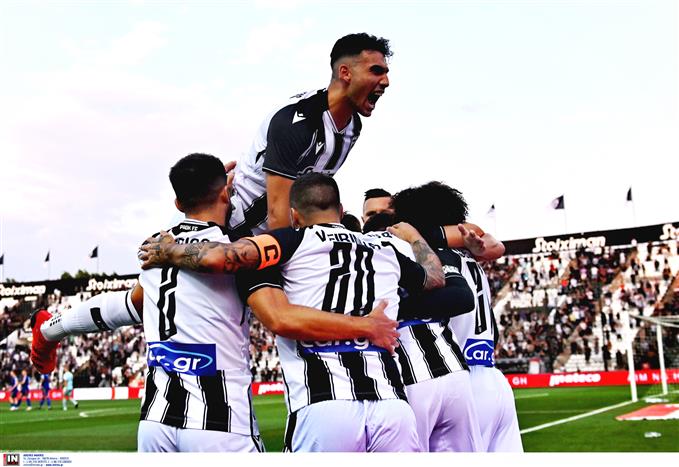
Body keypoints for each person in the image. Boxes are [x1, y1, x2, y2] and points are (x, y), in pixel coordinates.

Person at [32, 153, 399, 452]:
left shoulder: (155, 252)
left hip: (155, 424)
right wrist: (365, 325)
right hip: (220, 423)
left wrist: (51, 330)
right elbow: (280, 317)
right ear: (226, 193)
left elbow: (122, 308)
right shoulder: (237, 255)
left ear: (178, 202)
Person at [139, 173, 476, 452]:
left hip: (324, 406)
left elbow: (222, 257)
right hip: (392, 407)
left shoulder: (290, 242)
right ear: (340, 209)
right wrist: (416, 239)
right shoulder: (384, 249)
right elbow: (434, 278)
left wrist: (170, 250)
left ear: (295, 215)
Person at [392, 181, 523, 452]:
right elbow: (489, 242)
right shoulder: (470, 255)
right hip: (493, 378)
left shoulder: (433, 257)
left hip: (460, 378)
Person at [228, 33, 391, 236]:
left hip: (276, 237)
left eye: (386, 73)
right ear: (345, 73)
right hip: (232, 231)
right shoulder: (296, 121)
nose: (386, 81)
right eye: (376, 71)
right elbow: (278, 218)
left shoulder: (353, 127)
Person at [363, 216, 484, 452]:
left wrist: (396, 309)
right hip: (453, 369)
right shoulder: (422, 248)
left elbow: (462, 298)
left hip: (412, 377)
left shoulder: (365, 252)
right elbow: (461, 297)